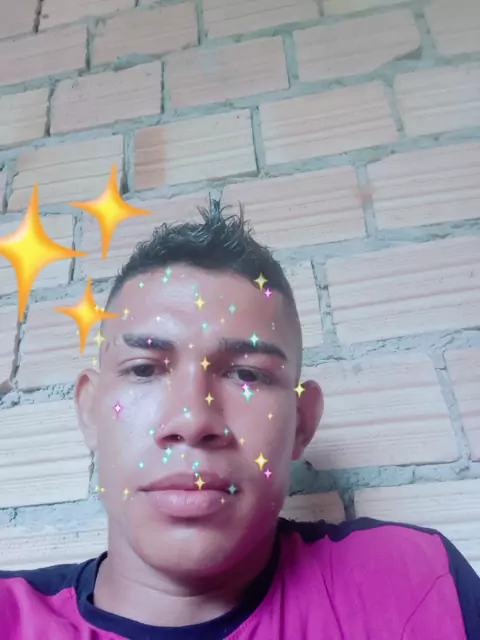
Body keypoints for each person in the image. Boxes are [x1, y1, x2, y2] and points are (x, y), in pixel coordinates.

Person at [1, 201, 479, 639]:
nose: (193, 420)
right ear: (90, 410)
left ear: (302, 422)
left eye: (247, 375)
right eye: (144, 369)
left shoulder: (416, 584)